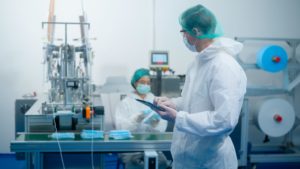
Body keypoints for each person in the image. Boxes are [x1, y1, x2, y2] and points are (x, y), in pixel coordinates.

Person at [154, 4, 247, 169]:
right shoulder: (197, 64)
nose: (183, 36)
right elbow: (192, 101)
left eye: (183, 31)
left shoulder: (223, 66)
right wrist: (172, 104)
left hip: (211, 161)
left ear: (195, 32)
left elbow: (224, 120)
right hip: (189, 159)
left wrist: (177, 117)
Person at [114, 68, 168, 168]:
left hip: (153, 146)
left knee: (162, 163)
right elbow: (121, 128)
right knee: (136, 165)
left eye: (148, 83)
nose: (146, 85)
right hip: (131, 147)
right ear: (135, 83)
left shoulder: (155, 100)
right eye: (142, 82)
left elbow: (162, 127)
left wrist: (156, 124)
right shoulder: (125, 103)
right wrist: (136, 119)